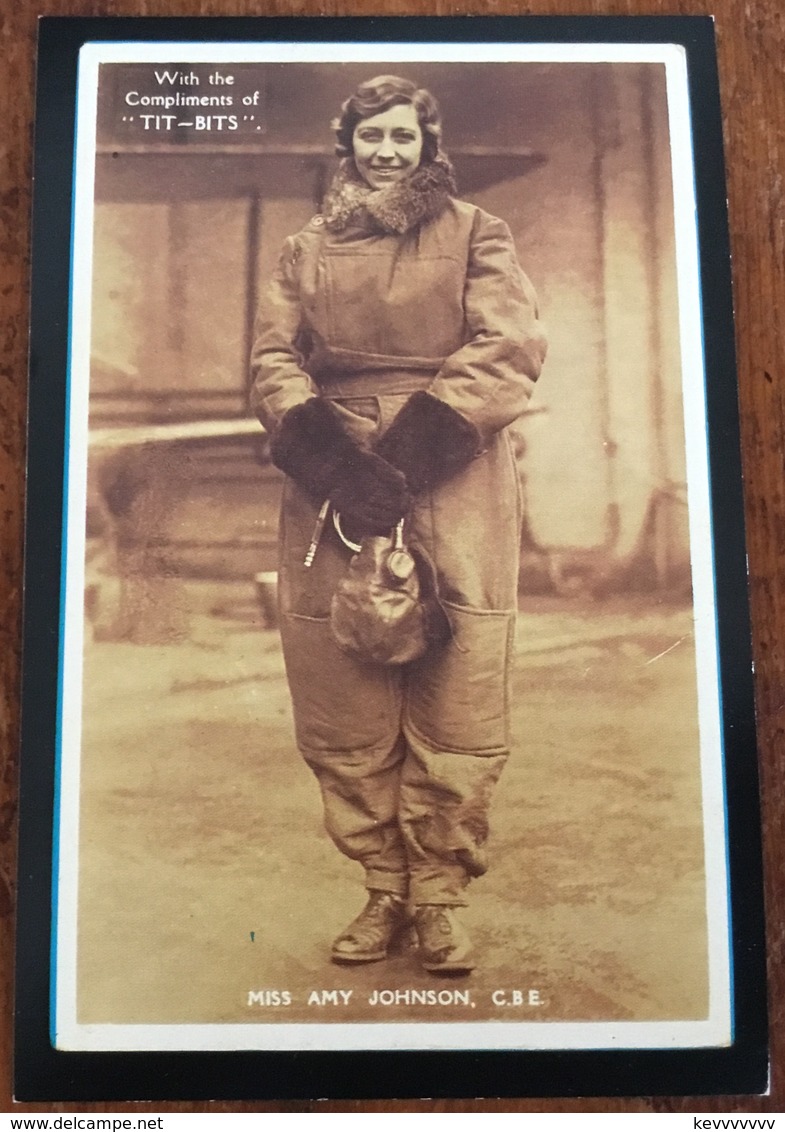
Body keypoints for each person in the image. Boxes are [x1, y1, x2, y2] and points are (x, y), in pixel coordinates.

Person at [250, 75, 547, 975]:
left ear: (427, 145)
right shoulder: (304, 249)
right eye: (371, 136)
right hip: (332, 479)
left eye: (402, 137)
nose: (387, 151)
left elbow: (507, 350)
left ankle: (440, 899)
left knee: (458, 677)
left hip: (455, 471)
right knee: (340, 683)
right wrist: (338, 467)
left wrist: (406, 461)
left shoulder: (475, 233)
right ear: (349, 145)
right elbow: (271, 359)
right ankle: (383, 887)